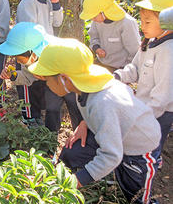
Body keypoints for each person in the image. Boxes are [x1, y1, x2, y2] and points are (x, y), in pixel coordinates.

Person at [28, 38, 161, 204]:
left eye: (48, 80)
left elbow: (112, 154)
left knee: (136, 195)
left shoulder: (102, 103)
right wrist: (84, 124)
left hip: (140, 148)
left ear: (64, 79)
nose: (47, 85)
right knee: (72, 153)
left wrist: (76, 181)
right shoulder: (83, 84)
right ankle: (109, 173)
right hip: (115, 135)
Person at [114, 0, 173, 154]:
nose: (142, 26)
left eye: (147, 22)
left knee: (148, 153)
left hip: (158, 114)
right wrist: (118, 76)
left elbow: (162, 97)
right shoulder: (151, 41)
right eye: (141, 20)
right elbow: (135, 68)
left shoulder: (168, 51)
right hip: (144, 107)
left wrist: (140, 117)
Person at [15, 0, 73, 129]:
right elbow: (29, 36)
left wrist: (55, 4)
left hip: (43, 57)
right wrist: (34, 62)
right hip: (27, 57)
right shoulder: (27, 4)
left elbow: (56, 22)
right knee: (28, 90)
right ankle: (29, 124)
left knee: (40, 90)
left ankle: (38, 124)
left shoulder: (47, 2)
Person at [0, 22, 82, 131]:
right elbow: (28, 77)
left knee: (75, 106)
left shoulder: (59, 52)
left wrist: (49, 76)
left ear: (31, 52)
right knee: (52, 108)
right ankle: (51, 138)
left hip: (71, 79)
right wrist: (12, 75)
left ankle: (81, 136)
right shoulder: (29, 58)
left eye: (18, 57)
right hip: (54, 84)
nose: (17, 61)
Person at [80, 0, 140, 72]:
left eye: (94, 16)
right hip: (102, 63)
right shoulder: (97, 21)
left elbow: (135, 51)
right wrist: (97, 48)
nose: (92, 19)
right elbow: (93, 36)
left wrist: (127, 71)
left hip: (121, 69)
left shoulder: (127, 23)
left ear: (104, 12)